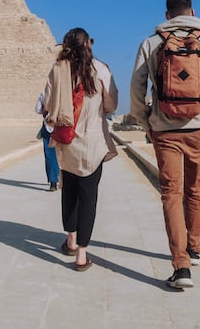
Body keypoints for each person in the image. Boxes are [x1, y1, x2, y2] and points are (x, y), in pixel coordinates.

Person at [130, 0, 200, 288]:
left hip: (164, 128)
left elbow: (137, 89)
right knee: (195, 189)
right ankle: (195, 247)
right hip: (199, 125)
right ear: (192, 11)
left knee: (171, 194)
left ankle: (181, 266)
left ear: (167, 15)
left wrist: (145, 119)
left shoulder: (151, 43)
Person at [44, 27, 118, 272]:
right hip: (93, 143)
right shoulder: (101, 70)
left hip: (67, 143)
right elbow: (111, 104)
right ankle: (82, 256)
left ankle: (71, 240)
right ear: (89, 44)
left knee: (69, 192)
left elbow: (45, 105)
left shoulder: (57, 70)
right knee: (88, 198)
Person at [34, 92, 60, 191]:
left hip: (48, 127)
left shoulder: (44, 94)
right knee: (62, 154)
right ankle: (61, 178)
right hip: (61, 127)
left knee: (50, 155)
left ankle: (53, 182)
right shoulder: (63, 92)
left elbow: (37, 109)